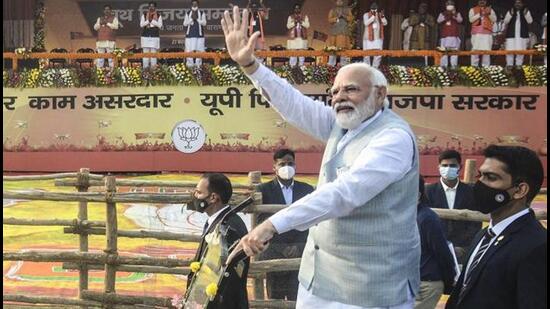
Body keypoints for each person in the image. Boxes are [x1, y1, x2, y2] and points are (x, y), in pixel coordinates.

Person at [222, 6, 421, 308]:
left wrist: (272, 224)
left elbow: (345, 193)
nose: (339, 97)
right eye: (335, 91)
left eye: (351, 90)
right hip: (319, 277)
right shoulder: (343, 122)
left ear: (380, 94)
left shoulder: (393, 138)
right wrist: (250, 65)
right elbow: (294, 105)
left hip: (369, 287)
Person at [445, 145, 546, 309]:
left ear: (520, 190)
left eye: (491, 177)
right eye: (481, 175)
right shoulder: (484, 234)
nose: (480, 184)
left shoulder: (537, 246)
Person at [257, 148, 315, 301]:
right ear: (274, 168)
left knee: (297, 296)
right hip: (274, 251)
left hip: (300, 251)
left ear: (295, 166)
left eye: (290, 163)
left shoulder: (307, 189)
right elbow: (261, 220)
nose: (286, 167)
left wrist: (297, 246)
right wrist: (282, 248)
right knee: (275, 296)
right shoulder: (264, 190)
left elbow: (311, 221)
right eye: (282, 164)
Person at [186, 173, 249, 309]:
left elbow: (228, 277)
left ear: (213, 197)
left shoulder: (229, 227)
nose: (195, 197)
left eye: (199, 192)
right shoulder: (218, 221)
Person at [425, 150, 481, 264]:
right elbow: (426, 222)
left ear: (460, 167)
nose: (448, 168)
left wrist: (462, 247)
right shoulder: (428, 191)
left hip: (464, 251)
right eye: (445, 165)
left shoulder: (471, 191)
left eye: (452, 165)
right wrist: (442, 245)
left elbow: (476, 223)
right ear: (439, 167)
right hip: (435, 250)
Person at [415, 176, 457, 309]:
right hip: (413, 282)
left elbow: (442, 252)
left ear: (418, 195)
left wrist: (449, 280)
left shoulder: (427, 219)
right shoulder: (410, 216)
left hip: (426, 284)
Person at [503, 0, 533, 68]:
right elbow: (505, 21)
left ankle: (518, 65)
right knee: (510, 50)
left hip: (522, 35)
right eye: (516, 3)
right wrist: (511, 14)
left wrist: (525, 14)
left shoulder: (526, 11)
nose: (517, 4)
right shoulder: (511, 11)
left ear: (522, 4)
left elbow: (530, 21)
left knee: (521, 50)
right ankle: (509, 65)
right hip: (511, 34)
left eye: (519, 3)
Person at [468, 0, 496, 67]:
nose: (482, 2)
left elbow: (494, 20)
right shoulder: (472, 9)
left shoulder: (490, 10)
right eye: (480, 0)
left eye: (483, 0)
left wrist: (489, 13)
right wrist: (479, 14)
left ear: (486, 2)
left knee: (487, 51)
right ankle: (474, 68)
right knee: (475, 51)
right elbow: (470, 20)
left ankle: (486, 68)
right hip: (476, 34)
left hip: (487, 34)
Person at [437, 0, 463, 68]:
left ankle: (454, 69)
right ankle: (443, 69)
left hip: (454, 37)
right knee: (444, 54)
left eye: (451, 4)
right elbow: (438, 21)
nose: (450, 5)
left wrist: (454, 14)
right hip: (444, 37)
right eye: (448, 4)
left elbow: (460, 20)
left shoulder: (457, 13)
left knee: (454, 54)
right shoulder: (442, 14)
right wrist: (446, 14)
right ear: (446, 6)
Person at [327, 0, 354, 66]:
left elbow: (351, 18)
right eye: (338, 1)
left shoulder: (347, 10)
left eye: (341, 1)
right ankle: (331, 65)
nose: (339, 2)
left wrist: (344, 16)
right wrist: (337, 18)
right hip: (334, 32)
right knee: (333, 49)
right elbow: (329, 20)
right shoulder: (332, 10)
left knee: (343, 48)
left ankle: (344, 64)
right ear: (336, 2)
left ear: (343, 2)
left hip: (344, 32)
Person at [362, 2, 387, 68]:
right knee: (366, 54)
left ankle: (375, 67)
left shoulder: (379, 15)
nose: (374, 10)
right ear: (370, 9)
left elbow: (385, 23)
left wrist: (383, 17)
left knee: (378, 54)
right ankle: (367, 68)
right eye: (372, 9)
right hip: (368, 37)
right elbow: (366, 23)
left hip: (378, 38)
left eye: (375, 9)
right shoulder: (366, 15)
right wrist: (372, 17)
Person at [184, 0, 207, 67]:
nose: (194, 5)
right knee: (189, 51)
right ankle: (189, 66)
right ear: (191, 4)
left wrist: (197, 19)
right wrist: (191, 19)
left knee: (199, 51)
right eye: (193, 3)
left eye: (195, 3)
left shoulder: (202, 13)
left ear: (198, 4)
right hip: (190, 35)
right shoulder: (188, 13)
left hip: (199, 35)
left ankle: (198, 66)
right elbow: (185, 24)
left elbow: (204, 23)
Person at [140, 1, 163, 69]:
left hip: (154, 37)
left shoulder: (158, 15)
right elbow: (141, 25)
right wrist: (148, 21)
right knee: (145, 55)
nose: (151, 7)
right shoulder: (144, 15)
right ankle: (145, 70)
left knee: (153, 55)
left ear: (155, 7)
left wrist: (152, 21)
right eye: (150, 6)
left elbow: (160, 25)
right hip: (145, 37)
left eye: (152, 6)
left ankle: (153, 70)